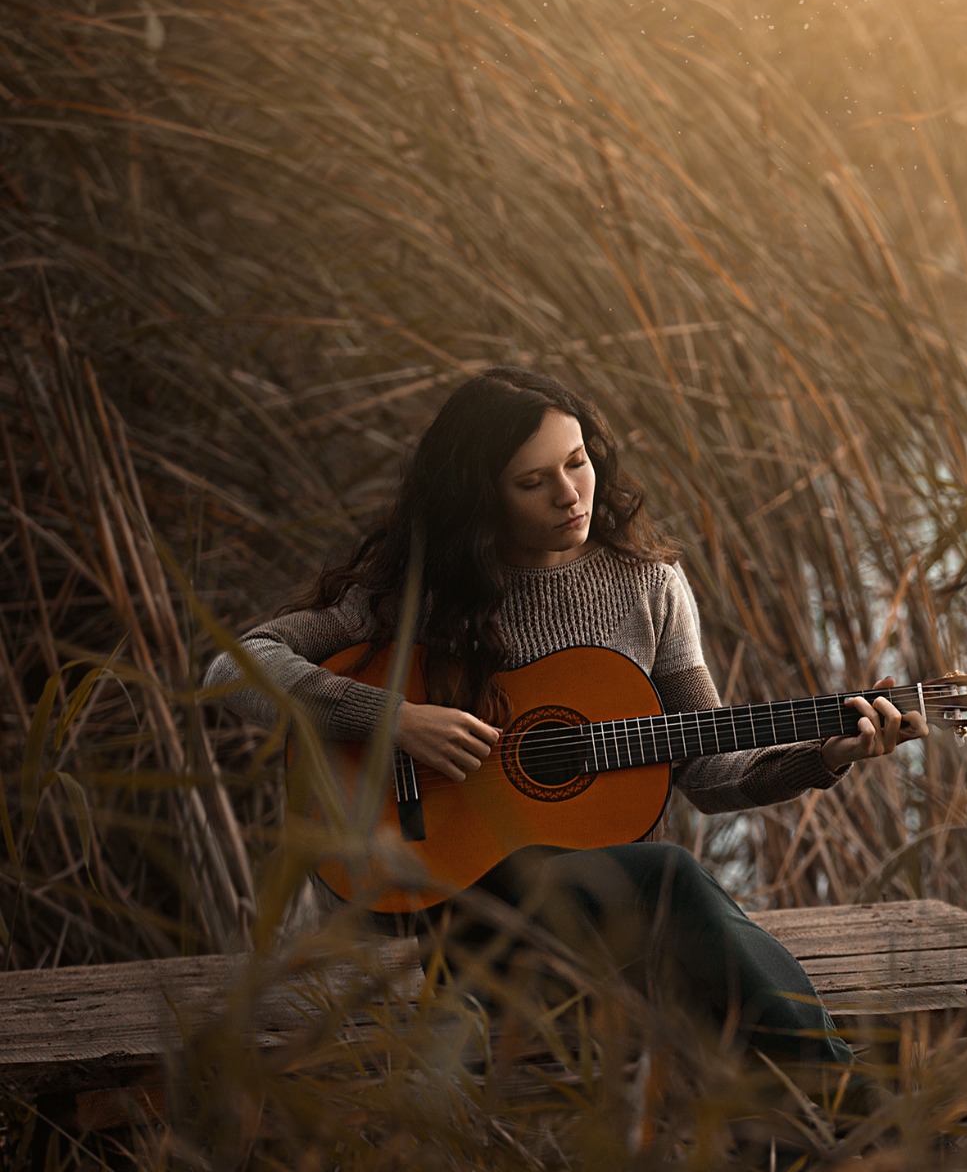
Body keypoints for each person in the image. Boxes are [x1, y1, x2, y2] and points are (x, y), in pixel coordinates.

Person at [203, 366, 925, 1067]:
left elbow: (704, 770)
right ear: (478, 495)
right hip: (435, 896)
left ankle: (816, 1090)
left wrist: (822, 757)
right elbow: (232, 668)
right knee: (670, 878)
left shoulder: (650, 586)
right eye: (532, 481)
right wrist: (392, 718)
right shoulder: (414, 592)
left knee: (678, 932)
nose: (570, 494)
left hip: (588, 913)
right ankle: (835, 1079)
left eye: (578, 462)